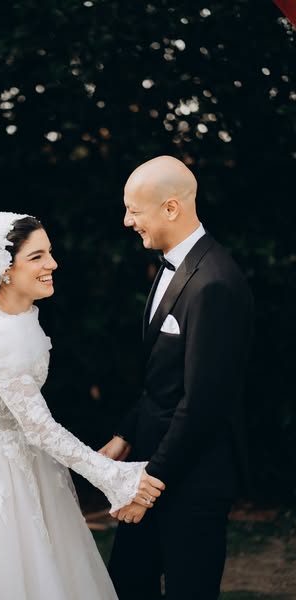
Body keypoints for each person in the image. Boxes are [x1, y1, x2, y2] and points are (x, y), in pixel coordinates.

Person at [0, 212, 164, 600]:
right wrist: (112, 476)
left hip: (23, 457)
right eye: (37, 256)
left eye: (49, 253)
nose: (52, 264)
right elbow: (39, 426)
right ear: (4, 270)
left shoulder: (16, 318)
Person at [100, 156, 254, 600]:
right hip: (153, 463)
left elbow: (204, 401)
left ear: (171, 208)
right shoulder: (174, 266)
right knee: (128, 584)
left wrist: (149, 485)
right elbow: (162, 381)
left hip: (192, 477)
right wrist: (126, 434)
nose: (127, 221)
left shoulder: (214, 283)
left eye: (134, 210)